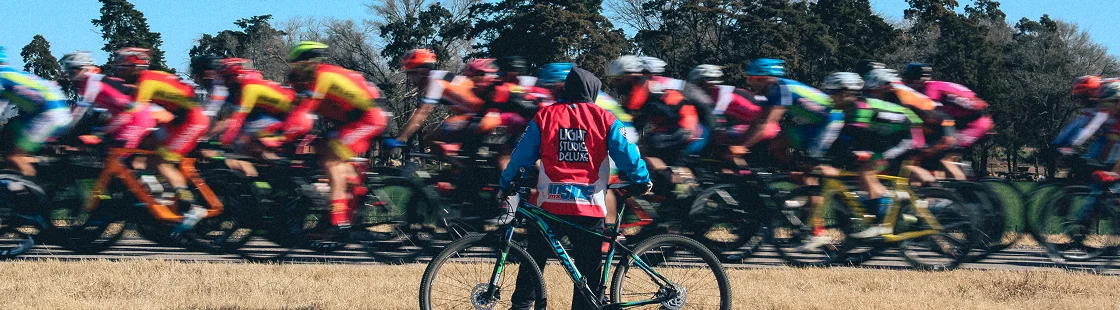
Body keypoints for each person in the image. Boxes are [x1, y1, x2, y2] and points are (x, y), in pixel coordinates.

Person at [500, 66, 651, 310]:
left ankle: (522, 305)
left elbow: (520, 157)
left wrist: (506, 182)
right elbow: (628, 154)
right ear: (592, 91)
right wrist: (642, 179)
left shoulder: (545, 116)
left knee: (534, 257)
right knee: (588, 274)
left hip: (551, 204)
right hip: (589, 207)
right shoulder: (604, 118)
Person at [802, 72, 924, 250]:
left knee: (866, 171)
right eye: (828, 91)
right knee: (861, 170)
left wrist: (833, 164)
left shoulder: (860, 108)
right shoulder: (846, 109)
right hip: (889, 135)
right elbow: (838, 139)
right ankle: (887, 210)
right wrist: (818, 158)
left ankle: (883, 223)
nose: (829, 96)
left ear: (846, 93)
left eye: (832, 92)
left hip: (906, 135)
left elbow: (854, 139)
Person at [282, 41, 389, 229]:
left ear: (309, 62)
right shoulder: (314, 77)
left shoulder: (322, 76)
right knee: (319, 150)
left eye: (297, 64)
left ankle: (338, 217)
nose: (295, 69)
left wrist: (283, 135)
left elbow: (304, 112)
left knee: (331, 161)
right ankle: (353, 185)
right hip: (352, 120)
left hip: (369, 117)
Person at [605, 55, 714, 198]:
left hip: (681, 126)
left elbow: (626, 122)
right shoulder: (649, 85)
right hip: (685, 125)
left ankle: (680, 183)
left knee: (640, 150)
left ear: (630, 75)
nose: (616, 84)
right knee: (648, 149)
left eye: (618, 79)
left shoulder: (639, 90)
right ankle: (678, 187)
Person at [901, 63, 993, 180]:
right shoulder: (935, 85)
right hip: (972, 120)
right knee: (938, 155)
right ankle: (949, 190)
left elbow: (933, 116)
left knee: (946, 158)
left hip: (975, 123)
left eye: (908, 81)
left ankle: (962, 195)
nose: (907, 85)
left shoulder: (929, 90)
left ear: (915, 80)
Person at [742, 58, 837, 169]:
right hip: (817, 122)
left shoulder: (782, 88)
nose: (749, 82)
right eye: (748, 78)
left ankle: (814, 180)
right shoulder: (771, 90)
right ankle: (795, 172)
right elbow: (757, 122)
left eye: (752, 78)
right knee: (776, 144)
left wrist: (742, 146)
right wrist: (740, 144)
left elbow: (766, 123)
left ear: (765, 78)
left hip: (831, 121)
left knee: (811, 165)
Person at [863, 68, 952, 184]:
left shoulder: (897, 96)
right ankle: (928, 193)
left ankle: (935, 190)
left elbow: (909, 121)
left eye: (873, 91)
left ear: (884, 86)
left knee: (903, 164)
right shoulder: (897, 91)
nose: (872, 95)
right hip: (936, 127)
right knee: (907, 167)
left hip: (937, 130)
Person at [60, 51, 154, 152]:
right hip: (126, 117)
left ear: (82, 69)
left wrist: (62, 130)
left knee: (116, 159)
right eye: (67, 71)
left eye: (72, 71)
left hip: (135, 118)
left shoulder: (91, 80)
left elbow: (80, 111)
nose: (69, 74)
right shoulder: (85, 83)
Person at [0, 46, 72, 176]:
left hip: (48, 114)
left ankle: (33, 191)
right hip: (57, 113)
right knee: (11, 134)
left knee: (14, 156)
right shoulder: (10, 73)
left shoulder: (1, 76)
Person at [687, 64, 770, 166]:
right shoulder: (725, 90)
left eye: (696, 84)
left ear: (704, 82)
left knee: (714, 135)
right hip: (761, 125)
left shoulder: (718, 95)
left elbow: (714, 122)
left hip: (760, 127)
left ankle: (741, 172)